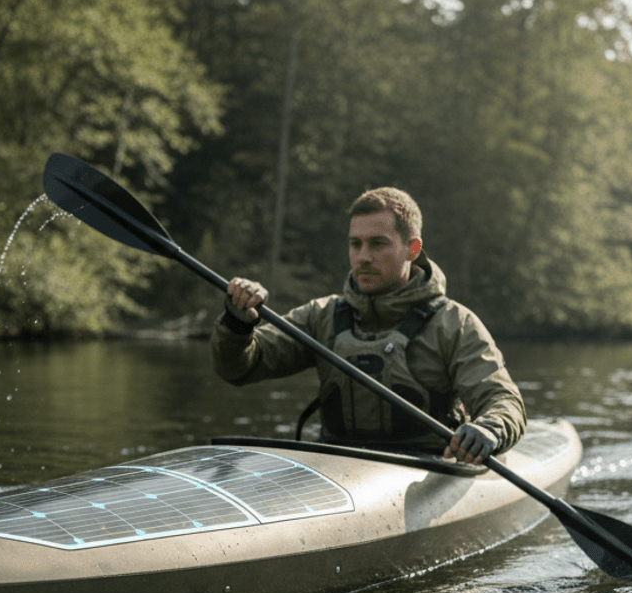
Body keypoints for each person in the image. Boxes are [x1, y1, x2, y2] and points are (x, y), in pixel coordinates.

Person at [211, 187, 526, 464]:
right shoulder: (321, 316)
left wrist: (488, 428)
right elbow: (239, 369)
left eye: (378, 244)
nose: (363, 257)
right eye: (355, 244)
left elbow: (501, 399)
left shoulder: (453, 323)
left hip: (425, 469)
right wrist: (238, 324)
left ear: (412, 250)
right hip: (336, 465)